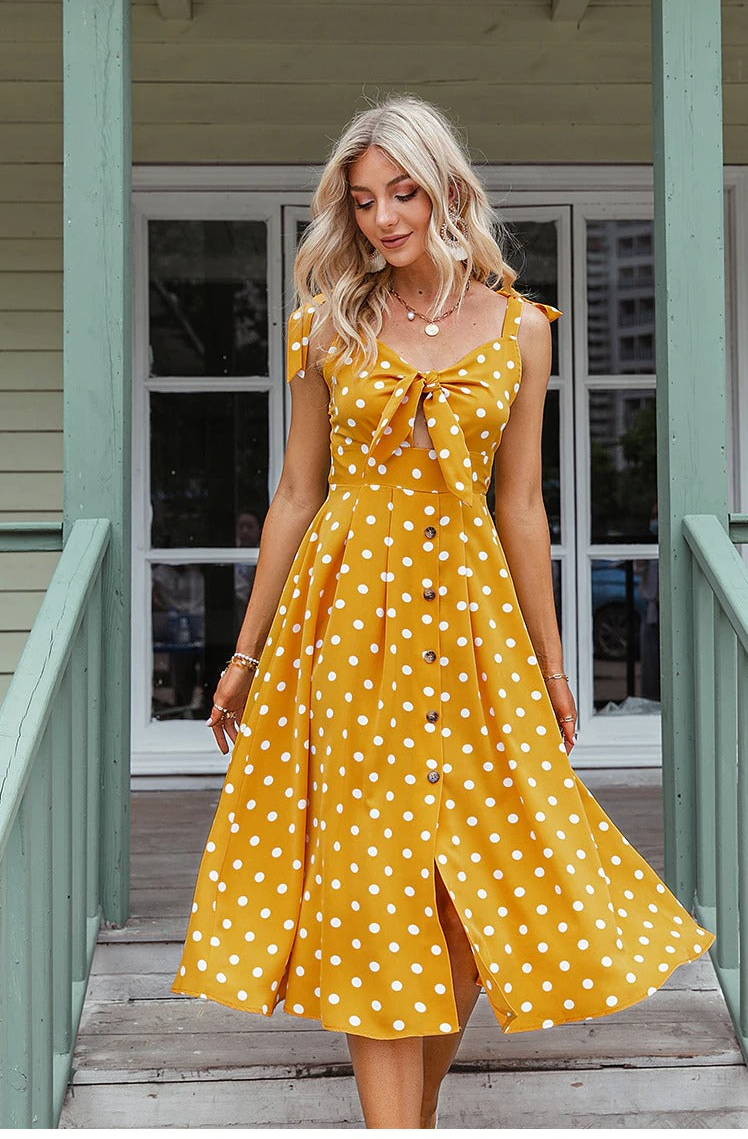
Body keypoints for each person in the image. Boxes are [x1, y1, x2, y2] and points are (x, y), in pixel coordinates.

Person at [171, 95, 715, 1129]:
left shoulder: (520, 330)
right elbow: (296, 494)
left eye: (402, 192)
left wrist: (555, 668)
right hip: (350, 623)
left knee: (480, 897)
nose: (382, 218)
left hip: (473, 631)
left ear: (446, 189)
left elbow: (518, 505)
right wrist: (243, 652)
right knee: (376, 893)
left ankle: (412, 1115)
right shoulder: (326, 326)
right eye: (364, 199)